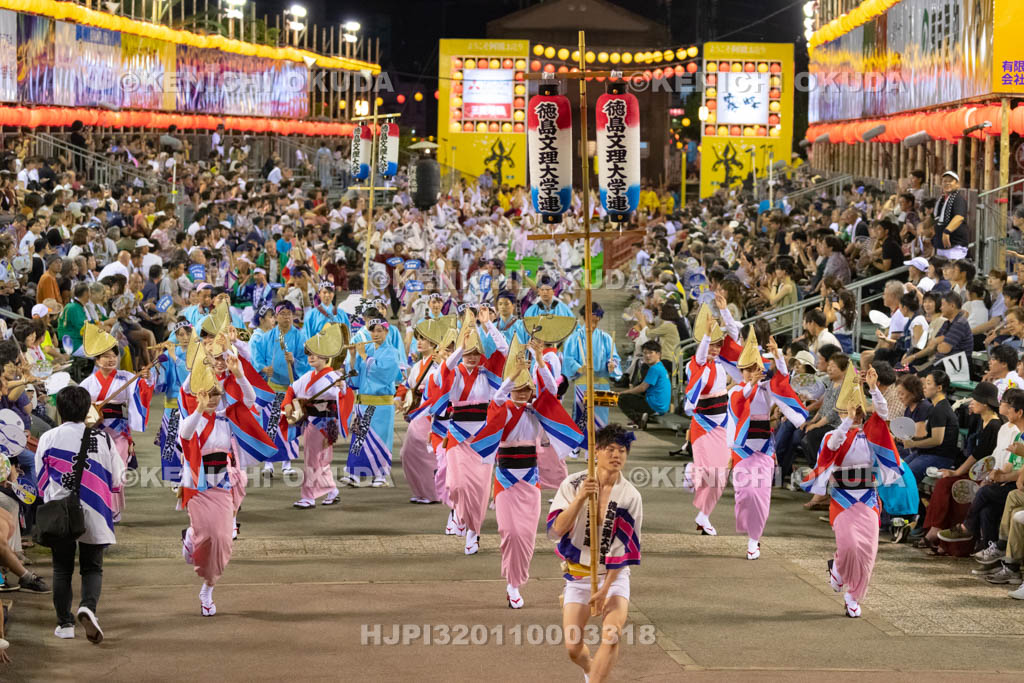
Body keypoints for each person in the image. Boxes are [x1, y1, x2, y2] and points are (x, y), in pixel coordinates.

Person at [468, 345, 581, 608]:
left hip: (530, 480)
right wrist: (515, 373)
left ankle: (515, 583)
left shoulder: (536, 410)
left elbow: (552, 390)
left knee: (527, 535)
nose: (521, 393)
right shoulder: (503, 408)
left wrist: (540, 361)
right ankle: (512, 580)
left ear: (531, 391)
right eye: (516, 389)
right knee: (510, 532)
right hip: (506, 480)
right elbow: (497, 397)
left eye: (526, 389)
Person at [801, 365, 903, 617]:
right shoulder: (832, 436)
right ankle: (837, 565)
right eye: (851, 410)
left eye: (859, 412)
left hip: (868, 498)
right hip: (843, 498)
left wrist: (872, 388)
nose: (857, 415)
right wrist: (846, 420)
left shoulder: (872, 434)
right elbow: (833, 445)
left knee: (867, 551)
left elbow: (883, 412)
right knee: (848, 547)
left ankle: (854, 596)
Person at [549, 424, 642, 683]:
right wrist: (580, 499)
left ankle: (596, 679)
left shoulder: (630, 496)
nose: (616, 455)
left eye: (622, 450)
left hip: (612, 576)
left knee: (611, 635)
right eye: (610, 449)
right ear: (596, 452)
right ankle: (592, 670)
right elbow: (557, 529)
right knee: (573, 648)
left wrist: (605, 588)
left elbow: (624, 551)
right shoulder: (572, 484)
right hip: (578, 575)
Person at [35, 385, 125, 642]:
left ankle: (64, 624)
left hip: (60, 514)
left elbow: (41, 482)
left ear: (60, 410)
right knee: (92, 567)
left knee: (62, 569)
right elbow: (117, 480)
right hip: (96, 511)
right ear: (88, 410)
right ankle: (88, 607)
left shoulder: (49, 438)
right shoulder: (103, 438)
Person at [178, 343, 253, 617]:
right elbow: (185, 435)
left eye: (215, 395)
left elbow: (251, 401)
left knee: (222, 539)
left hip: (221, 484)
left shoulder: (226, 420)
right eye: (207, 394)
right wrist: (198, 404)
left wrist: (240, 374)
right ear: (199, 394)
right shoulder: (191, 419)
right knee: (206, 534)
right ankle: (192, 538)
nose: (212, 399)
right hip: (197, 486)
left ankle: (208, 588)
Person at [425, 309, 508, 552]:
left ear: (481, 354)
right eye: (467, 353)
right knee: (456, 485)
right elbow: (444, 370)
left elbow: (504, 351)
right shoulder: (453, 373)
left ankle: (474, 531)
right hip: (457, 436)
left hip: (483, 439)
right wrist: (462, 345)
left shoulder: (488, 373)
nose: (471, 357)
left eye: (475, 353)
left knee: (480, 491)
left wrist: (489, 324)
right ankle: (459, 515)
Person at [726, 330, 807, 559]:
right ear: (741, 371)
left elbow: (783, 381)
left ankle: (754, 540)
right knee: (744, 494)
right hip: (743, 450)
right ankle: (748, 527)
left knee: (760, 495)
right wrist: (751, 383)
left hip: (763, 450)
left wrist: (778, 357)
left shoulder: (767, 388)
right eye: (748, 369)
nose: (752, 372)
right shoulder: (735, 392)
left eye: (756, 367)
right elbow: (742, 400)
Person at [918, 383, 1012, 552]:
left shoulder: (994, 426)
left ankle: (940, 535)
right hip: (972, 470)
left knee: (948, 484)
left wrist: (957, 471)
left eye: (975, 400)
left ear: (985, 403)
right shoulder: (978, 420)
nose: (971, 403)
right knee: (945, 483)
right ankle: (938, 535)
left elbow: (979, 456)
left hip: (982, 473)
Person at [78, 323, 154, 523]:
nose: (111, 360)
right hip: (95, 431)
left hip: (119, 431)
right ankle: (102, 503)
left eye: (114, 356)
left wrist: (145, 381)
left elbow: (140, 394)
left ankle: (114, 507)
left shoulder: (126, 377)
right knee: (100, 467)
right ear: (97, 360)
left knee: (117, 468)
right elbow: (79, 407)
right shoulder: (87, 383)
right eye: (106, 356)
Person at [682, 302, 742, 535]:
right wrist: (706, 337)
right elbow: (700, 356)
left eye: (718, 345)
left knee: (720, 476)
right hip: (703, 425)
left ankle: (704, 515)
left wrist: (725, 312)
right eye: (712, 345)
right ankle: (691, 470)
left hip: (722, 426)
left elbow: (734, 337)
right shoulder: (694, 365)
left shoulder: (721, 364)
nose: (715, 349)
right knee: (707, 471)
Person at [283, 323, 349, 509]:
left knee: (312, 459)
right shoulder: (308, 376)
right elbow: (291, 389)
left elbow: (342, 396)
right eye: (309, 353)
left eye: (316, 353)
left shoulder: (332, 378)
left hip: (324, 423)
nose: (311, 356)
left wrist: (341, 389)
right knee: (319, 459)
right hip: (312, 421)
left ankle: (308, 496)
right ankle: (332, 490)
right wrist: (288, 404)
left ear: (326, 356)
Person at [342, 318, 403, 488]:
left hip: (382, 405)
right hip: (363, 403)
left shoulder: (392, 352)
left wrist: (363, 355)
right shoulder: (367, 349)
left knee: (380, 440)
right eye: (373, 330)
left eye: (379, 330)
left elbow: (384, 374)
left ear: (386, 332)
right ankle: (354, 472)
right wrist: (353, 356)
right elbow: (354, 378)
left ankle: (380, 474)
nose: (375, 334)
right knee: (359, 439)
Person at [563, 303, 621, 447]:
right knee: (582, 416)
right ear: (583, 318)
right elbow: (568, 358)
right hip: (583, 382)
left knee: (601, 418)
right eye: (590, 320)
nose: (593, 323)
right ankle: (579, 446)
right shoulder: (574, 338)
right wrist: (578, 367)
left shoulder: (606, 337)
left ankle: (597, 449)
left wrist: (612, 364)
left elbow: (614, 356)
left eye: (596, 320)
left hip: (602, 383)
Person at [617, 340, 670, 430]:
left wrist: (623, 392)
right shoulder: (661, 367)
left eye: (651, 353)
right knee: (634, 395)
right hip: (662, 406)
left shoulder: (655, 369)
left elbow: (642, 387)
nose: (647, 356)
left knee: (622, 398)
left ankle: (639, 419)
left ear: (658, 354)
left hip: (654, 406)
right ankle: (641, 417)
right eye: (645, 353)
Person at [933, 171, 969, 260]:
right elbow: (935, 218)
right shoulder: (941, 200)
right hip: (941, 246)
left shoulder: (958, 199)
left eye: (950, 181)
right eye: (945, 181)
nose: (947, 183)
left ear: (957, 184)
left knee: (951, 272)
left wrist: (946, 232)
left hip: (954, 247)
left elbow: (959, 217)